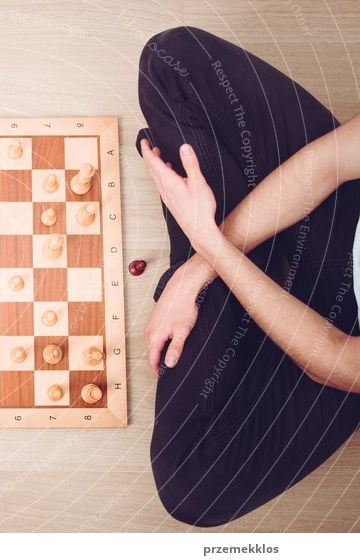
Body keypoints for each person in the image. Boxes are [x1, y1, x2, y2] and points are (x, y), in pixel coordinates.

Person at [137, 26, 360, 526]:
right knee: (171, 61)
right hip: (343, 216)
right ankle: (224, 264)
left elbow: (334, 359)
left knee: (194, 487)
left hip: (338, 352)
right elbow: (326, 167)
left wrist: (211, 243)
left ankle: (219, 246)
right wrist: (199, 268)